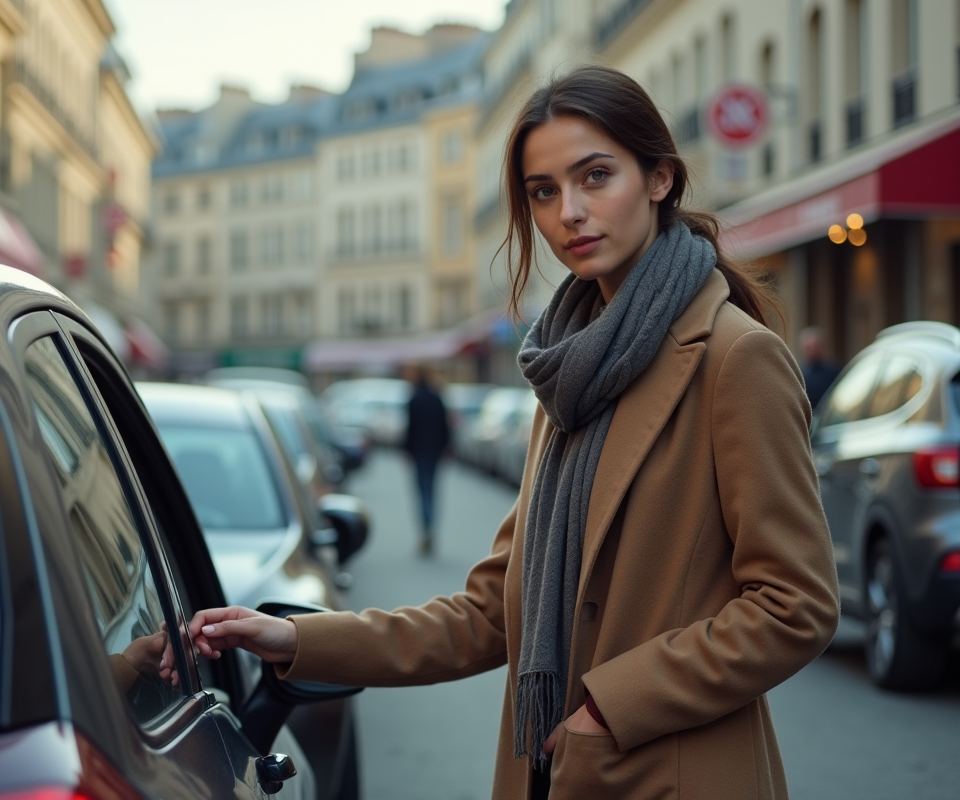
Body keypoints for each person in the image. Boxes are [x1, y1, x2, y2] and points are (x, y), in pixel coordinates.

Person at [187, 65, 839, 800]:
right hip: (551, 773)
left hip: (670, 773)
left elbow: (795, 604)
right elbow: (490, 614)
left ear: (659, 179)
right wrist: (300, 639)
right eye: (544, 191)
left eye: (597, 176)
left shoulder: (733, 358)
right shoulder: (567, 371)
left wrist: (611, 707)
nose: (571, 212)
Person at [401, 363, 450, 555]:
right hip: (435, 452)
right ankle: (430, 530)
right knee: (431, 491)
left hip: (419, 452)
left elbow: (410, 429)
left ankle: (425, 530)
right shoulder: (436, 397)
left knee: (422, 492)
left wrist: (407, 450)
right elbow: (445, 426)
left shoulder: (414, 398)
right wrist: (446, 447)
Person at [799, 326, 841, 410]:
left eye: (816, 347)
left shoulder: (833, 371)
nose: (813, 351)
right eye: (809, 347)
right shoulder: (799, 374)